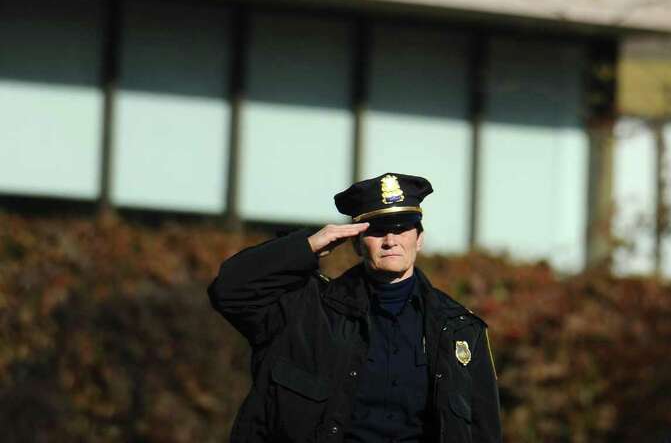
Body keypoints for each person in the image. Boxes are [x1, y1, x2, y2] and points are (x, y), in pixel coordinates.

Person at [209, 173, 501, 443]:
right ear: (357, 243)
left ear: (419, 239)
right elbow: (230, 291)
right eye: (377, 231)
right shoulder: (306, 311)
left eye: (401, 229)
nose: (390, 241)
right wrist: (307, 246)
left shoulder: (460, 329)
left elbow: (483, 431)